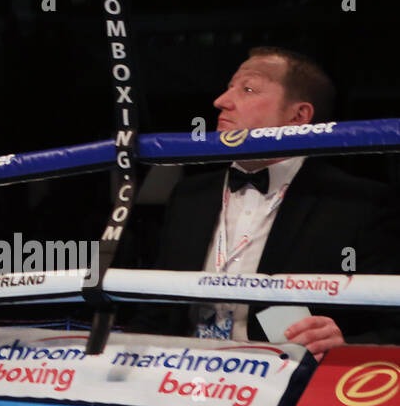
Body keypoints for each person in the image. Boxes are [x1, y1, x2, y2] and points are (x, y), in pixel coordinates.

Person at [126, 47, 400, 356]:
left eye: (248, 89)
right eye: (229, 87)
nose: (221, 101)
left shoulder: (355, 203)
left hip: (286, 388)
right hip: (180, 375)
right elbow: (155, 313)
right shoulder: (190, 196)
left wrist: (344, 345)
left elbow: (391, 324)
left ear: (298, 116)